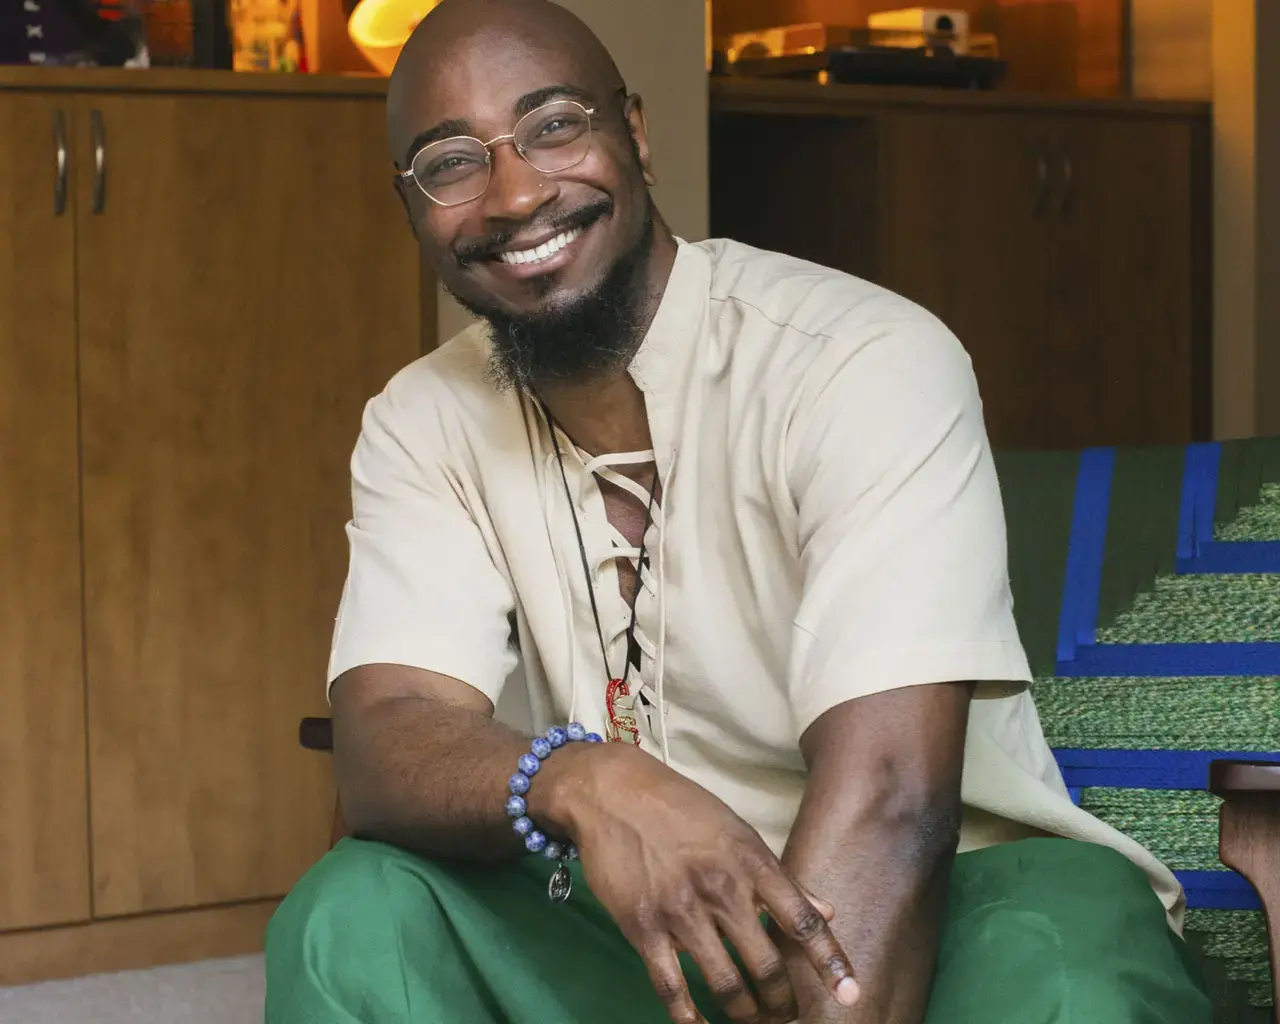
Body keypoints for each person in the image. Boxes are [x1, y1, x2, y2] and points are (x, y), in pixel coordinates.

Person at [264, 1, 1213, 1020]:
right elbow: (387, 733)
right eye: (452, 162)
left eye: (553, 126)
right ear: (412, 206)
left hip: (953, 903)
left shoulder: (862, 360)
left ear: (634, 133)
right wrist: (589, 782)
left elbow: (893, 795)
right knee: (351, 915)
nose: (515, 192)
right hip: (635, 917)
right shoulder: (420, 420)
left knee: (1070, 980)